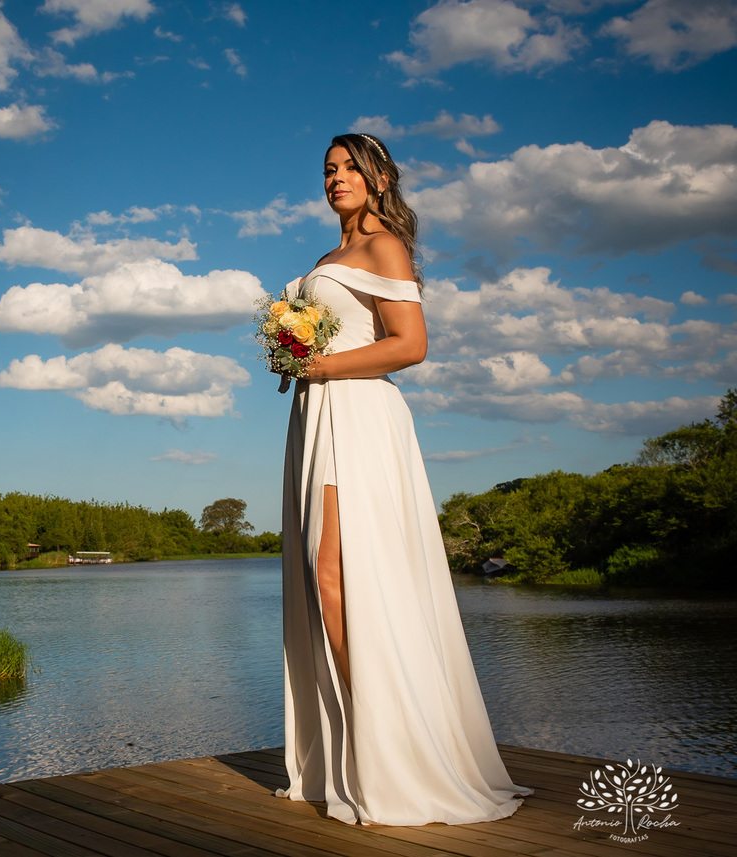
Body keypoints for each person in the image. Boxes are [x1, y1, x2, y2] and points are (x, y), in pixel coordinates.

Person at [277, 132, 533, 826]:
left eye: (349, 168)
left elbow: (411, 345)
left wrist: (320, 367)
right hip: (315, 416)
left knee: (338, 576)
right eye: (327, 169)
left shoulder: (383, 245)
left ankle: (390, 745)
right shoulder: (329, 256)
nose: (336, 178)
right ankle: (367, 742)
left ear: (380, 177)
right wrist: (292, 356)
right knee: (321, 578)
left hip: (357, 414)